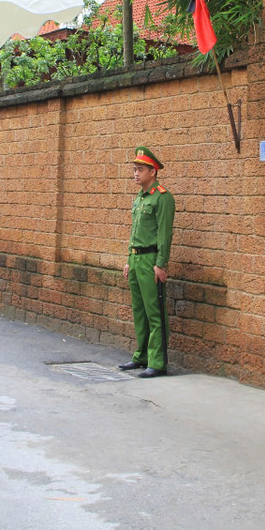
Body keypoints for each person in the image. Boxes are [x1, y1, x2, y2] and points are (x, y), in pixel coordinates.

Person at [119, 147, 175, 379]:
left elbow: (164, 233)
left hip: (151, 260)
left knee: (154, 312)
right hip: (136, 259)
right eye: (134, 169)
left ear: (153, 171)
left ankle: (157, 362)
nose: (135, 173)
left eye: (140, 169)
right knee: (139, 311)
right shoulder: (140, 198)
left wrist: (161, 264)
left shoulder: (163, 197)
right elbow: (135, 232)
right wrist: (129, 260)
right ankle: (141, 355)